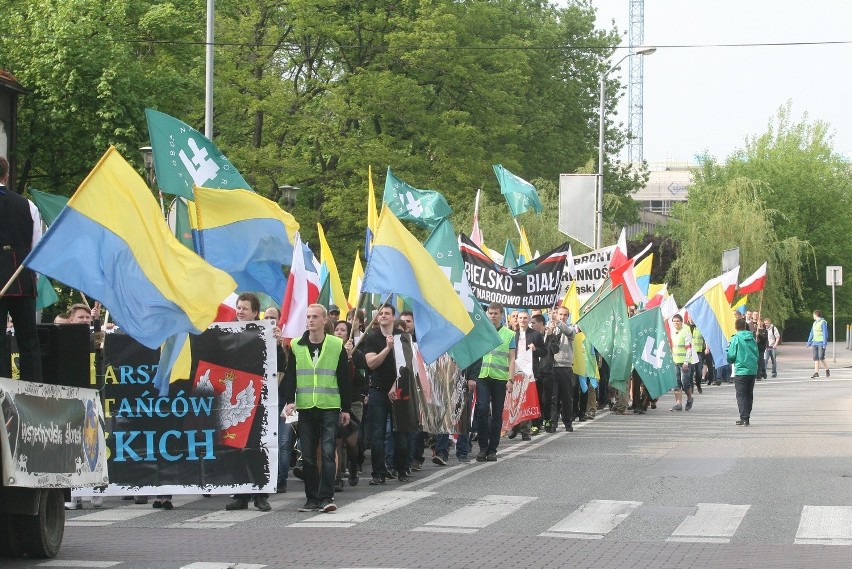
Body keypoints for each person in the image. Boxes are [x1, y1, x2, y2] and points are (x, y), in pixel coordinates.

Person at [283, 304, 351, 513]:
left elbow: (343, 378)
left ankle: (326, 496)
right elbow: (291, 374)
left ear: (324, 321)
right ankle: (311, 498)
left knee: (329, 453)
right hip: (305, 407)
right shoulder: (296, 345)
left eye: (315, 317)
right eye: (308, 317)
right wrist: (289, 400)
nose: (310, 320)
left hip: (329, 406)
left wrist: (345, 408)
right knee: (309, 455)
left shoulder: (335, 344)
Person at [225, 293, 272, 512]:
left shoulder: (265, 335)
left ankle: (260, 494)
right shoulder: (226, 334)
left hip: (258, 399)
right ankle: (240, 495)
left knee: (255, 446)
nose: (241, 311)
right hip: (233, 399)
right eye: (239, 307)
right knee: (236, 447)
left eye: (245, 308)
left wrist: (277, 343)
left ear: (255, 312)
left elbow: (276, 366)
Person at [0, 155, 43, 385]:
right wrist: (32, 277)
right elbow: (38, 246)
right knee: (29, 341)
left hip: (15, 276)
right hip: (21, 276)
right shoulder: (28, 205)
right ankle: (34, 390)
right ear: (6, 176)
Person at [363, 303, 410, 484]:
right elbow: (372, 363)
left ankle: (402, 470)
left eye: (387, 313)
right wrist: (388, 348)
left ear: (393, 317)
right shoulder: (372, 338)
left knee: (401, 433)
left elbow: (407, 366)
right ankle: (378, 473)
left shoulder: (403, 337)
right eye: (380, 313)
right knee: (377, 433)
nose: (383, 316)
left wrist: (395, 385)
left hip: (399, 389)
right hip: (377, 390)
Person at [474, 302, 516, 462]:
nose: (492, 316)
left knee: (497, 415)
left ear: (501, 315)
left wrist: (510, 379)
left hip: (500, 378)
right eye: (490, 313)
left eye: (495, 313)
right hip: (483, 376)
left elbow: (512, 359)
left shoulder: (509, 334)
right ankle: (483, 447)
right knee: (482, 410)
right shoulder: (481, 332)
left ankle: (492, 449)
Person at [727, 318, 758, 426]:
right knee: (749, 394)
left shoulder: (736, 338)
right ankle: (747, 417)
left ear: (736, 327)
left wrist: (729, 355)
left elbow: (731, 355)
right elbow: (757, 354)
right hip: (752, 370)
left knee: (741, 395)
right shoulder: (752, 338)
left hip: (740, 370)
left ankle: (744, 417)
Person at [550, 306, 576, 432]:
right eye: (560, 314)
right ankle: (553, 423)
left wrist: (558, 322)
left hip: (565, 367)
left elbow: (568, 331)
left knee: (566, 397)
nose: (562, 316)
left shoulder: (570, 328)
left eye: (565, 315)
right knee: (553, 398)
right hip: (552, 367)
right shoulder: (550, 329)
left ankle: (567, 422)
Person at [670, 314, 694, 411]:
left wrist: (686, 362)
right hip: (675, 361)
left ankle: (689, 398)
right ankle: (678, 404)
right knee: (676, 384)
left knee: (685, 383)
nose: (676, 323)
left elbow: (689, 348)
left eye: (678, 321)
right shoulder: (672, 332)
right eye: (674, 321)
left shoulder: (686, 332)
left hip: (684, 363)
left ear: (681, 322)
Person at [806, 310, 830, 378]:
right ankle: (816, 372)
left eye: (813, 315)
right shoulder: (814, 323)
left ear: (816, 315)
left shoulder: (823, 322)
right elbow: (812, 333)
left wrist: (824, 343)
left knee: (821, 357)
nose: (813, 316)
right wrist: (809, 342)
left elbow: (825, 333)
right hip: (815, 342)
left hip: (821, 342)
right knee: (815, 357)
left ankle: (827, 369)